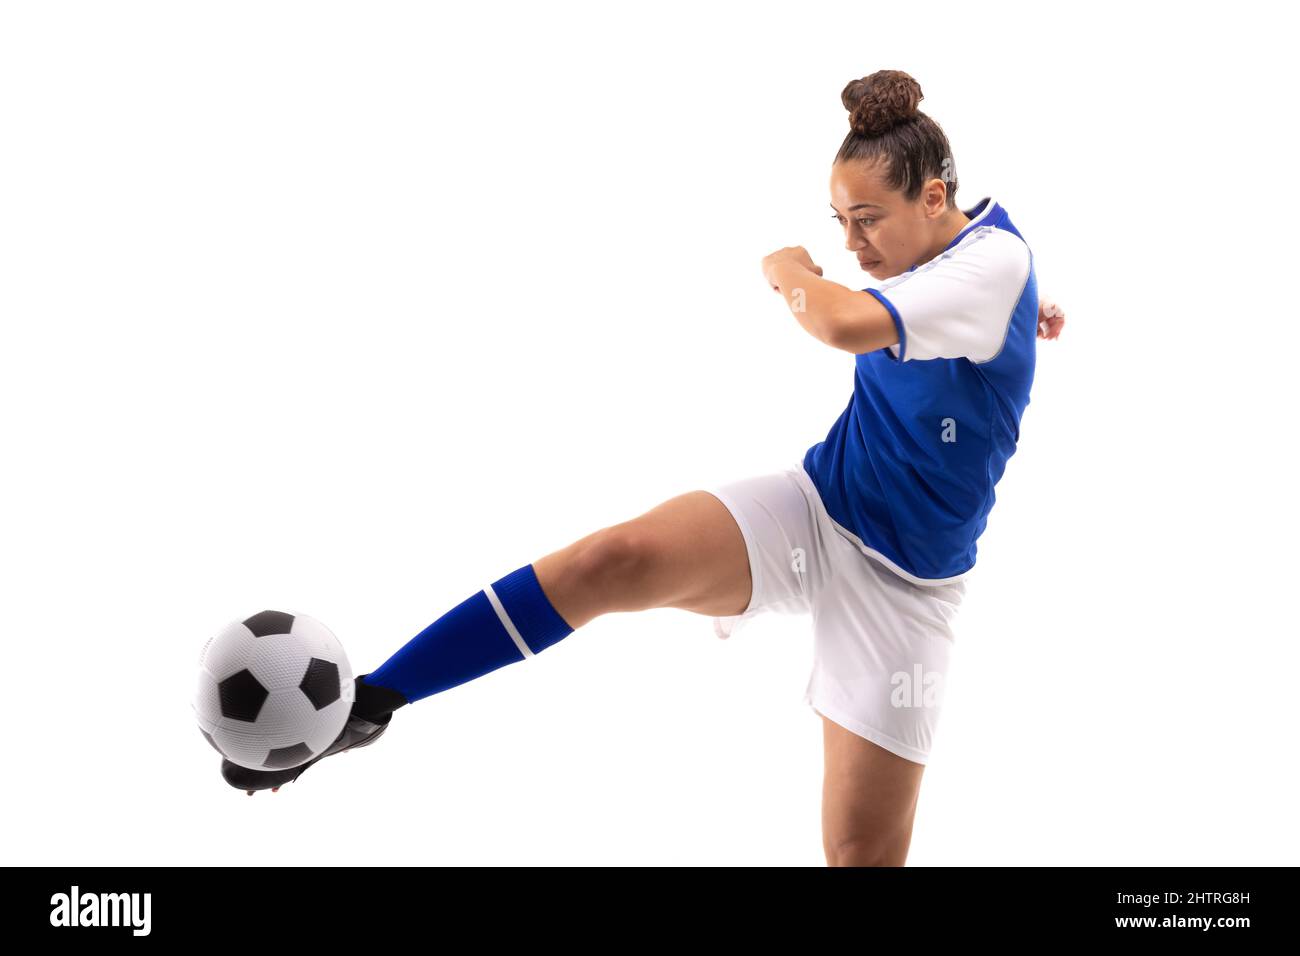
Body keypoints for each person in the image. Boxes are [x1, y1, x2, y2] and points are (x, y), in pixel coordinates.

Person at [221, 68, 1065, 867]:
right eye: (837, 221)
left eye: (867, 220)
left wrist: (786, 269)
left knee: (859, 855)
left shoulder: (992, 268)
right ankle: (373, 703)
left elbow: (845, 323)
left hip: (906, 586)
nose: (848, 243)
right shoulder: (968, 257)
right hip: (817, 506)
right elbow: (972, 291)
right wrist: (1029, 318)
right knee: (608, 561)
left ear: (934, 197)